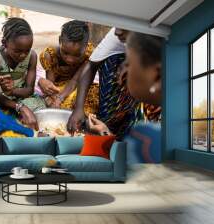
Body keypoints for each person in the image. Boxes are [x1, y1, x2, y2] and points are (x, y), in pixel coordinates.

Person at [88, 32, 163, 163]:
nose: (124, 69)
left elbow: (128, 164)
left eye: (129, 63)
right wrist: (105, 131)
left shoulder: (148, 136)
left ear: (156, 75)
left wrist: (106, 135)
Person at [67, 28, 140, 139]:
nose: (117, 32)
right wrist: (79, 108)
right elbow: (92, 66)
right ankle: (110, 126)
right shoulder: (117, 36)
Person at [0, 17, 45, 131]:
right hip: (1, 100)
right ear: (5, 43)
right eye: (17, 51)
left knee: (40, 110)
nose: (23, 55)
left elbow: (29, 90)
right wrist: (20, 107)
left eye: (27, 50)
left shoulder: (32, 56)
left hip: (21, 96)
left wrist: (12, 91)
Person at [38, 20, 99, 114]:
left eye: (77, 55)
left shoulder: (89, 54)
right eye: (65, 53)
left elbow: (75, 81)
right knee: (52, 102)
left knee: (94, 93)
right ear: (60, 41)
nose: (70, 59)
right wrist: (54, 98)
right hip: (57, 88)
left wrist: (60, 99)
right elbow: (51, 86)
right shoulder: (49, 55)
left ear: (86, 46)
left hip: (77, 84)